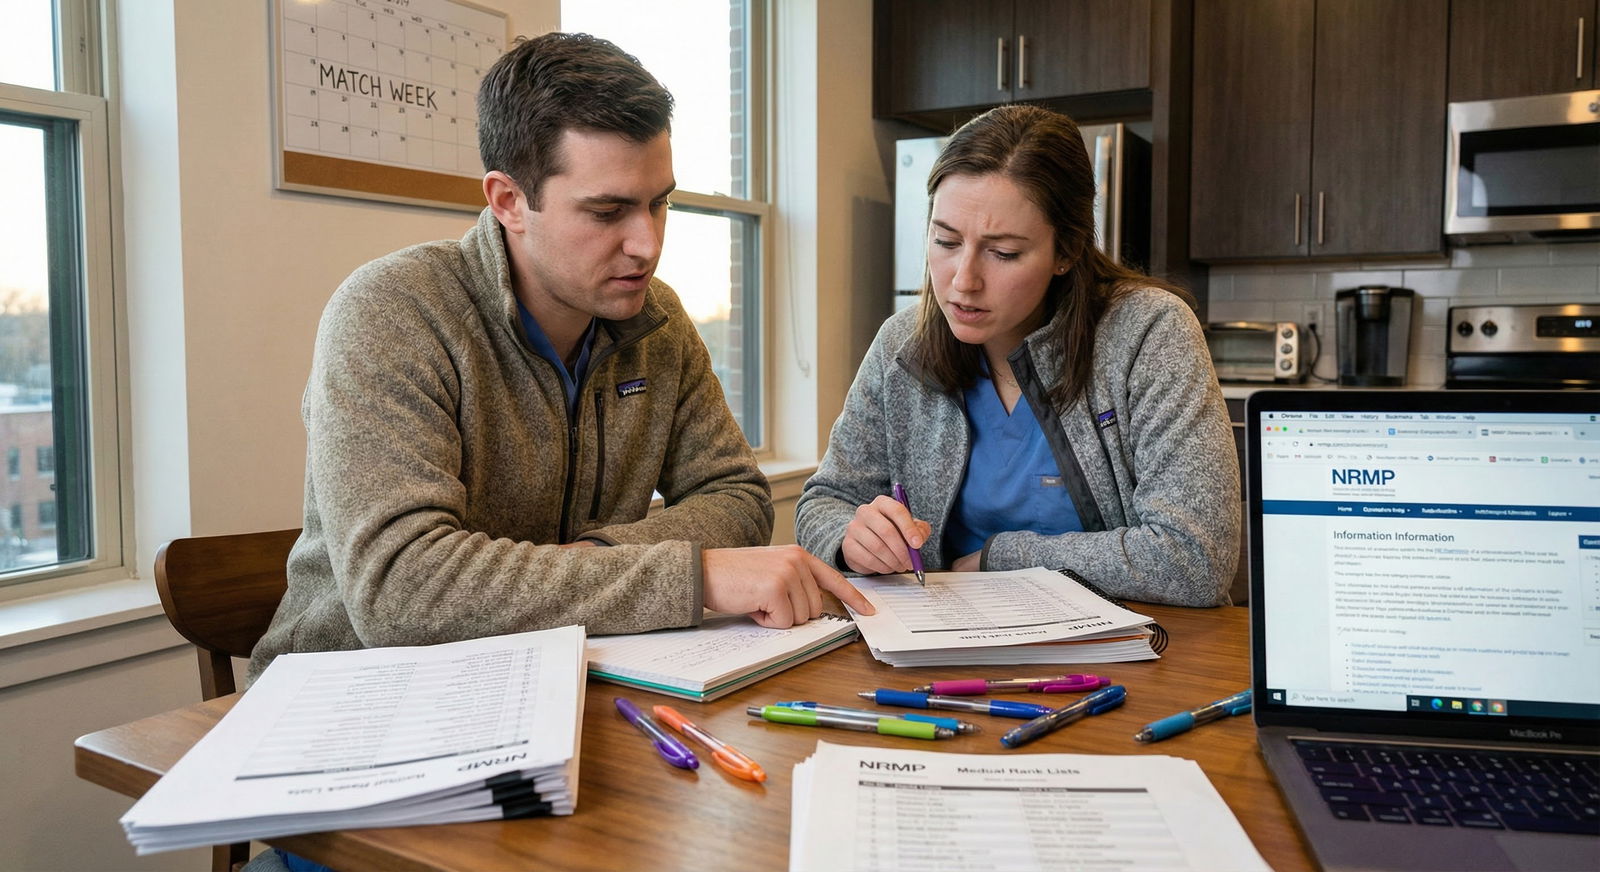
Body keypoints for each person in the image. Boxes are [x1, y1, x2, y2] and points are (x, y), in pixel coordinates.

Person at [248, 32, 871, 686]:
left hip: (556, 679)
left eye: (659, 202)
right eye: (608, 211)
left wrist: (596, 558)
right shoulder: (393, 311)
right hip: (350, 698)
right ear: (509, 201)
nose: (647, 243)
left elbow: (738, 499)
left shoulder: (658, 320)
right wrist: (692, 575)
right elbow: (402, 591)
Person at [795, 104, 1238, 606]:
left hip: (1135, 642)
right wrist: (852, 539)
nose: (963, 281)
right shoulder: (901, 344)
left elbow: (1194, 560)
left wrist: (1000, 559)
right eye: (945, 241)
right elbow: (824, 502)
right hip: (940, 636)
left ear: (1066, 251)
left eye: (1003, 253)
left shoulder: (1148, 332)